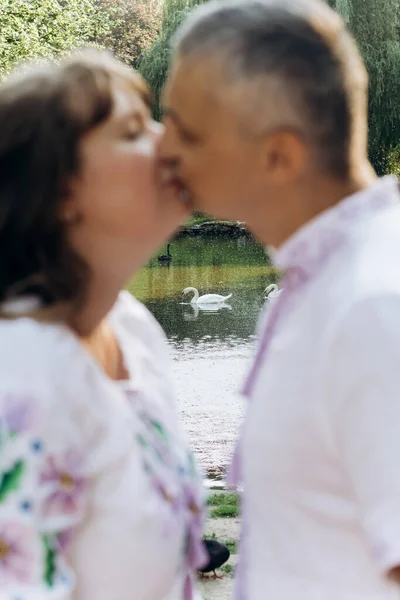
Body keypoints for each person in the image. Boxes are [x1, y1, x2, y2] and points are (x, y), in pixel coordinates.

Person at [159, 0, 400, 598]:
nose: (161, 150)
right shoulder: (317, 288)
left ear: (278, 156)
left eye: (185, 131)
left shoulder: (373, 305)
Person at [0, 49, 206, 600]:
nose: (169, 140)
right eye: (135, 130)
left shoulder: (130, 328)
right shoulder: (22, 377)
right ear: (62, 190)